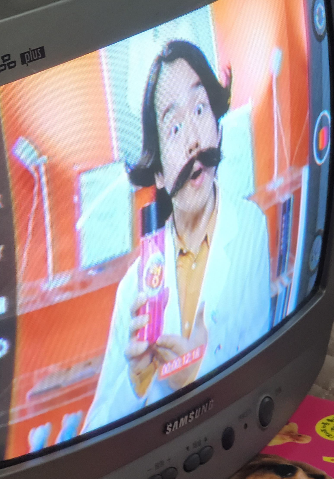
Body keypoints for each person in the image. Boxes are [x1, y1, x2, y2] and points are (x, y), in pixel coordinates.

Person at [83, 40, 270, 432]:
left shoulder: (250, 226)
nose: (194, 141)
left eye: (200, 110)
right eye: (175, 128)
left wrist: (196, 372)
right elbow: (94, 430)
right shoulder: (133, 288)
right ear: (159, 174)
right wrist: (135, 379)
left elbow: (260, 374)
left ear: (217, 125)